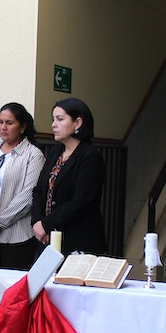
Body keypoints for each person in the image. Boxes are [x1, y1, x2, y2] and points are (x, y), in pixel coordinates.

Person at [32, 97, 107, 256]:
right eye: (53, 119)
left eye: (60, 119)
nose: (54, 124)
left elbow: (82, 202)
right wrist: (38, 223)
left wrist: (46, 224)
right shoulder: (55, 152)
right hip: (48, 238)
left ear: (77, 123)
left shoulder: (90, 156)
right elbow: (39, 190)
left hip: (77, 239)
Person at [0, 102, 45, 271]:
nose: (3, 127)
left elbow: (28, 195)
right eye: (1, 122)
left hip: (16, 235)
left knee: (12, 283)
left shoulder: (33, 155)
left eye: (9, 123)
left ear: (22, 127)